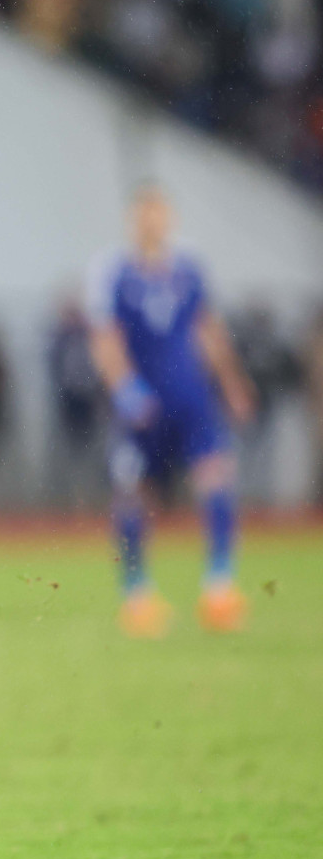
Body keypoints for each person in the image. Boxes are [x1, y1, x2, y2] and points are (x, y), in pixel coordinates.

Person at [85, 185, 255, 637]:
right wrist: (124, 388)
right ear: (132, 219)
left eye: (159, 212)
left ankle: (219, 587)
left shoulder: (189, 268)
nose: (152, 221)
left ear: (170, 218)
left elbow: (207, 329)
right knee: (134, 498)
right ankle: (137, 595)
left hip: (191, 400)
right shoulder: (113, 271)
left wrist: (231, 383)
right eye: (144, 213)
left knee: (215, 478)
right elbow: (106, 338)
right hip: (143, 409)